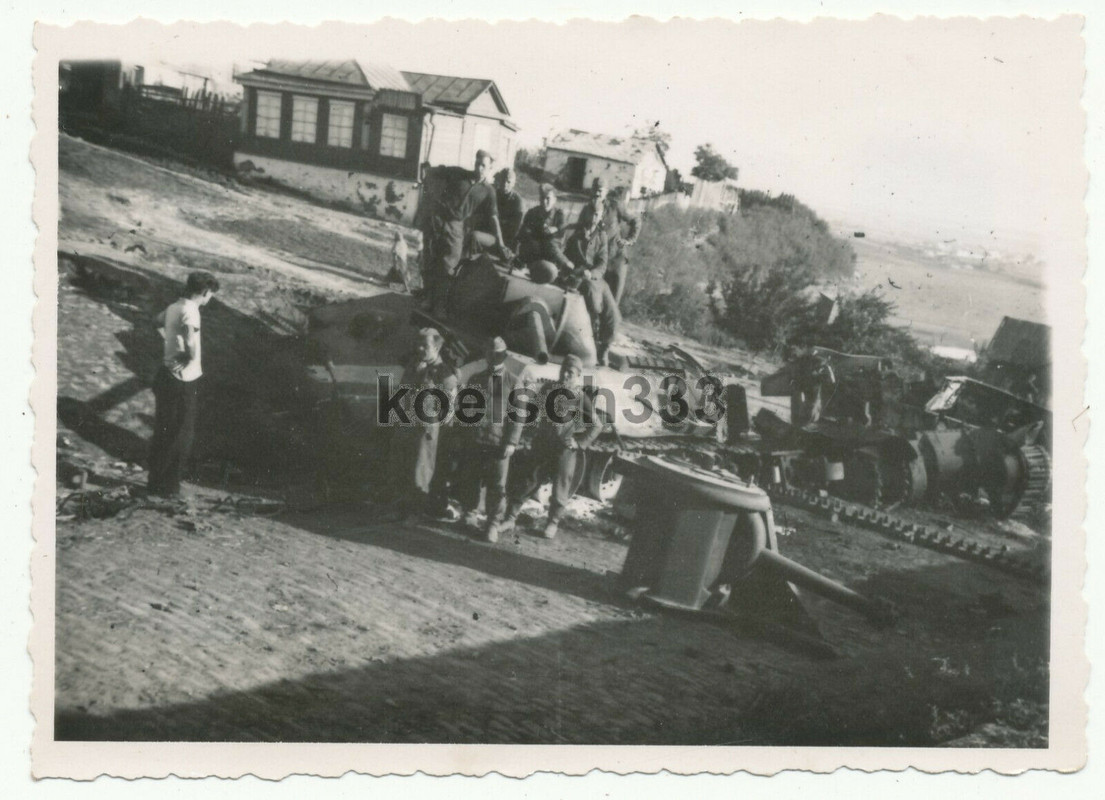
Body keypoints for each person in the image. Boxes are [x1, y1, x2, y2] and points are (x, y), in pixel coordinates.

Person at [495, 355, 604, 540]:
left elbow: (597, 424)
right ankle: (510, 518)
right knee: (528, 480)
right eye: (564, 370)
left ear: (577, 375)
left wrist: (580, 442)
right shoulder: (548, 388)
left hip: (564, 448)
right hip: (543, 443)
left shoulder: (580, 396)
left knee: (560, 487)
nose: (566, 375)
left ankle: (552, 523)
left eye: (570, 372)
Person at [147, 270, 220, 498]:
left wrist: (169, 343)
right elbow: (190, 339)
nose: (210, 299)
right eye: (210, 295)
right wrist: (187, 356)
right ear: (205, 292)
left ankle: (156, 483)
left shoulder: (173, 307)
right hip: (183, 379)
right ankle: (169, 488)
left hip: (165, 375)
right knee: (181, 435)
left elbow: (156, 322)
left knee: (163, 431)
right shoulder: (191, 311)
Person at [422, 151, 513, 316]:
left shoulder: (488, 191)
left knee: (449, 264)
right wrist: (428, 186)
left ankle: (439, 306)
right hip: (437, 219)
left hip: (456, 226)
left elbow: (494, 218)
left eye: (484, 165)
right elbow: (433, 171)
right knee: (429, 258)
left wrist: (500, 243)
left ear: (490, 168)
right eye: (478, 163)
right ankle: (427, 297)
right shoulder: (459, 173)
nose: (479, 168)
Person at [388, 327, 460, 517]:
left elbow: (451, 403)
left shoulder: (443, 371)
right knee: (402, 465)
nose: (420, 349)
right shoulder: (414, 365)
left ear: (436, 348)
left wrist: (440, 430)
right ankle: (400, 507)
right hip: (406, 424)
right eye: (418, 344)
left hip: (426, 429)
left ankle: (415, 513)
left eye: (425, 345)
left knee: (421, 471)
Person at [455, 337, 516, 542]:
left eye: (498, 354)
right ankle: (469, 515)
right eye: (490, 354)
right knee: (470, 479)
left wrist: (511, 442)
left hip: (498, 442)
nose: (493, 358)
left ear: (505, 356)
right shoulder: (475, 379)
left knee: (497, 486)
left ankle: (492, 524)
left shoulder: (513, 382)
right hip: (476, 439)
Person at [516, 183, 575, 278]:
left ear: (554, 200)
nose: (544, 201)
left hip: (550, 254)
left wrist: (554, 229)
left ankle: (565, 266)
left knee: (550, 244)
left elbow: (563, 227)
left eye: (548, 198)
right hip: (534, 251)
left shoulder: (559, 215)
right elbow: (523, 232)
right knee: (532, 243)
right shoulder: (532, 213)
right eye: (542, 198)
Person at [598, 185, 642, 307]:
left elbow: (636, 221)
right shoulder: (589, 208)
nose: (597, 193)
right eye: (595, 190)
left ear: (605, 192)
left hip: (616, 258)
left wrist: (629, 240)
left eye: (600, 190)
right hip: (599, 258)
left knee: (613, 301)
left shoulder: (615, 205)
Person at [493, 168, 525, 252]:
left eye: (508, 182)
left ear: (513, 184)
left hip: (507, 238)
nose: (504, 184)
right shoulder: (494, 194)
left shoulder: (517, 201)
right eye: (503, 180)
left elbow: (516, 228)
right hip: (492, 232)